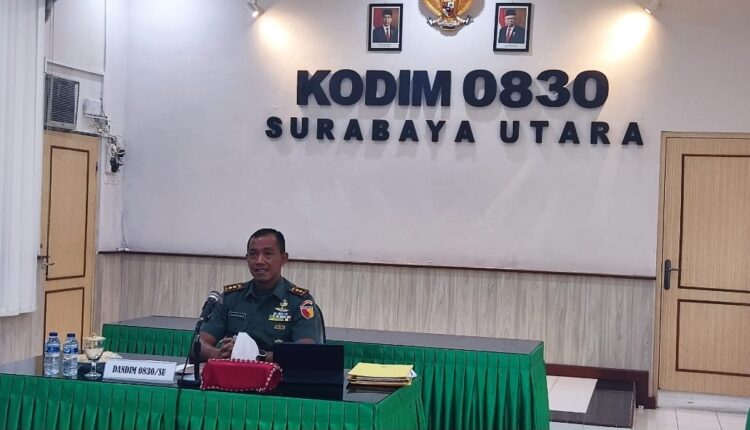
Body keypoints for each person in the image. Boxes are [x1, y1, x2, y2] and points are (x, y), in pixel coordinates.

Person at [199, 228, 324, 362]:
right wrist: (221, 355)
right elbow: (199, 344)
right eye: (253, 254)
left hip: (280, 375)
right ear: (247, 258)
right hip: (234, 373)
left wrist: (255, 355)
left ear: (283, 259)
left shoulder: (300, 302)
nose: (259, 261)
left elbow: (305, 353)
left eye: (268, 254)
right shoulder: (231, 298)